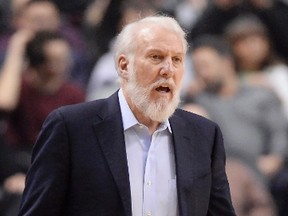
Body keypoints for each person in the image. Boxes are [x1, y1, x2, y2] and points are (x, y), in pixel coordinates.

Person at [18, 16, 236, 216]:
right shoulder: (70, 127)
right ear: (124, 66)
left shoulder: (205, 135)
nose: (168, 69)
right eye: (156, 57)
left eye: (177, 59)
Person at [186, 35, 288, 179]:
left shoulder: (259, 94)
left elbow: (279, 131)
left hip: (264, 171)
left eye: (206, 65)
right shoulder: (200, 100)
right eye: (197, 69)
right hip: (225, 174)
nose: (203, 73)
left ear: (227, 62)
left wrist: (275, 158)